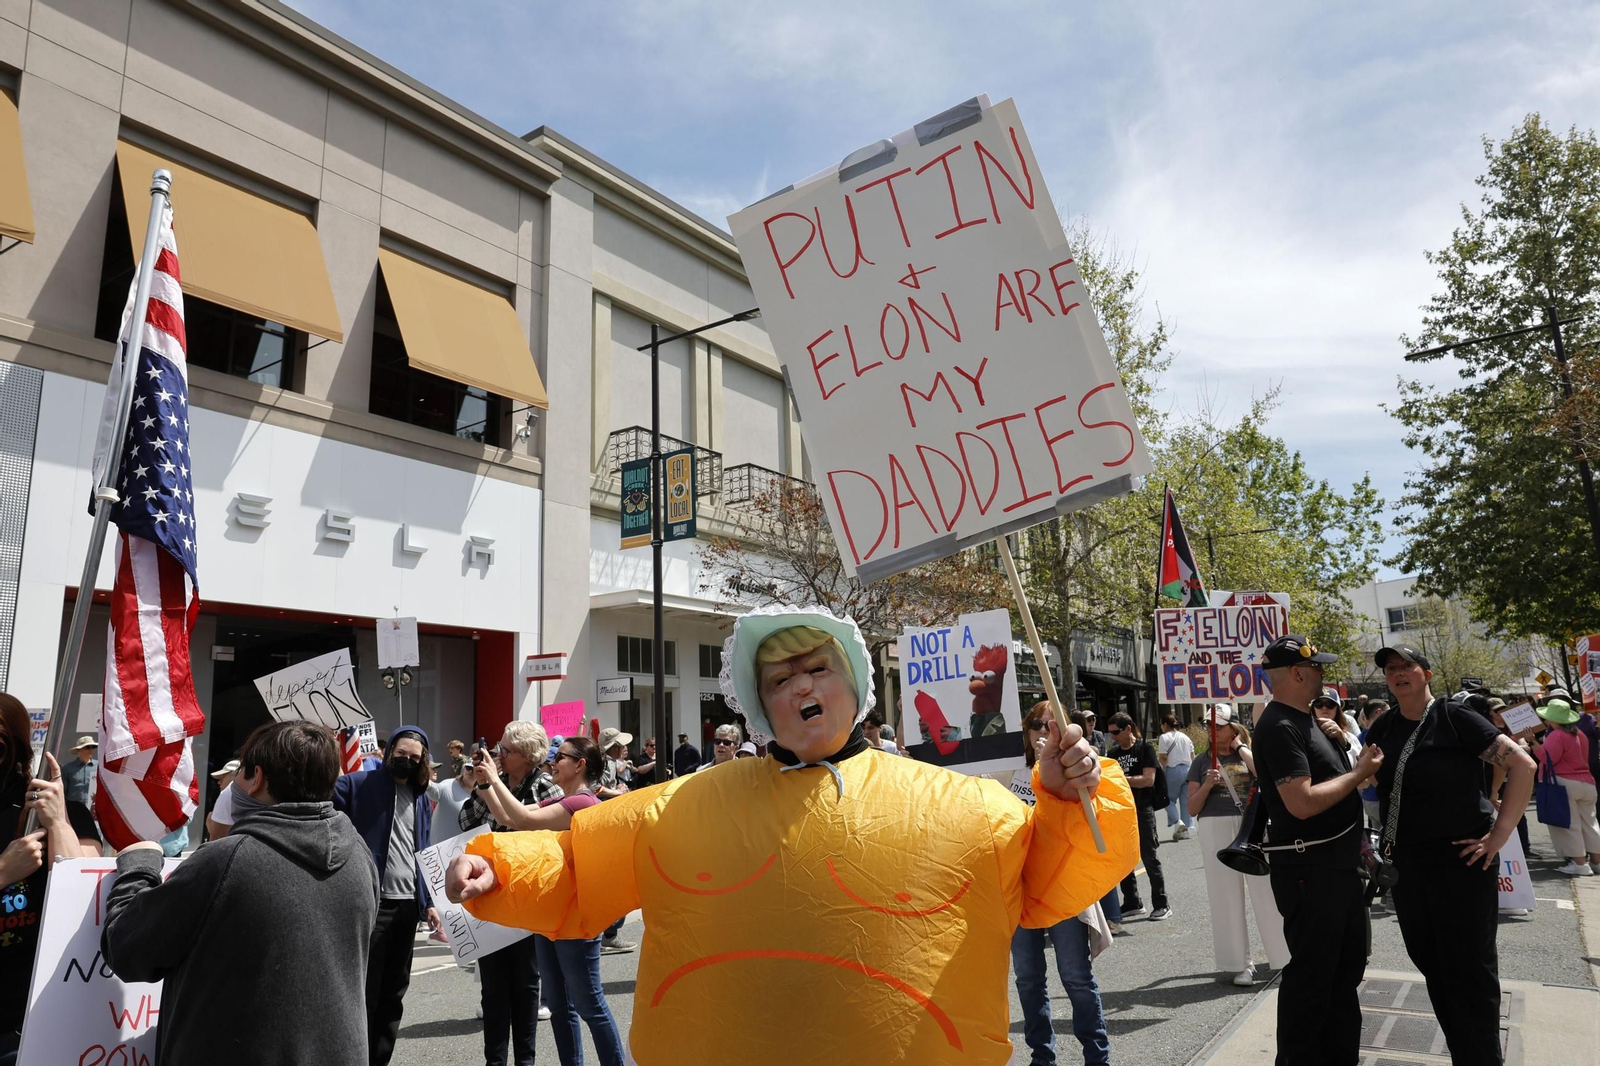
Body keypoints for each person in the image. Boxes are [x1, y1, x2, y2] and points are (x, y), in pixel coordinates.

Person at [446, 604, 1134, 1063]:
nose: (802, 684)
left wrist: (1075, 794)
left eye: (818, 667)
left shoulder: (968, 806)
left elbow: (1053, 873)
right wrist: (498, 870)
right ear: (757, 704)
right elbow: (577, 864)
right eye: (781, 677)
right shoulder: (680, 806)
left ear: (855, 683)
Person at [101, 721, 379, 1066]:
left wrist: (138, 865)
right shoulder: (360, 854)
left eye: (238, 777)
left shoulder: (225, 860)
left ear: (257, 778)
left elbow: (128, 949)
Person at [1366, 645, 1535, 1066]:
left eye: (1407, 666)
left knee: (1469, 970)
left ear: (1426, 673)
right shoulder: (1382, 726)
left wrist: (1499, 836)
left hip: (1462, 863)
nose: (1399, 674)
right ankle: (1467, 1051)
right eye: (1391, 669)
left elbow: (1523, 765)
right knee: (1431, 963)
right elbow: (1367, 783)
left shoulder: (1454, 717)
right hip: (1407, 864)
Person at [1251, 635, 1383, 1066]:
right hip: (1311, 871)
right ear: (1297, 673)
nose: (1324, 674)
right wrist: (1360, 771)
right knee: (1312, 979)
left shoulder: (1305, 721)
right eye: (1318, 667)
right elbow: (1302, 802)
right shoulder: (1279, 725)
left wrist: (1342, 745)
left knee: (1343, 976)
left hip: (1335, 867)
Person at [1009, 705, 1112, 1065]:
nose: (1043, 730)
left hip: (1064, 886)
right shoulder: (1005, 768)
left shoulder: (1078, 765)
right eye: (1037, 723)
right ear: (1025, 728)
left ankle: (1097, 1057)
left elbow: (1096, 807)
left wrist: (1065, 772)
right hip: (1020, 887)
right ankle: (1042, 1057)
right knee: (1028, 978)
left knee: (1076, 976)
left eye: (1053, 725)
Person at [0, 695, 100, 1059]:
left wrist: (57, 821)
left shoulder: (64, 814)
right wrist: (3, 872)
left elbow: (85, 896)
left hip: (33, 1013)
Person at [333, 726, 439, 1066]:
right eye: (400, 754)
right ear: (388, 751)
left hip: (408, 908)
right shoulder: (354, 785)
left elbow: (421, 850)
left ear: (422, 761)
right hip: (369, 906)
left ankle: (379, 1059)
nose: (406, 761)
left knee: (394, 992)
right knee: (365, 992)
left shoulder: (421, 798)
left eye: (413, 757)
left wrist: (429, 901)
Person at [459, 721, 561, 1066]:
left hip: (529, 896)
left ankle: (525, 1061)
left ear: (528, 756)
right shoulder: (493, 782)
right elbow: (466, 819)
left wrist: (493, 783)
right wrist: (482, 784)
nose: (499, 755)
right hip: (491, 893)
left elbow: (533, 827)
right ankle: (495, 1061)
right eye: (499, 748)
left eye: (507, 750)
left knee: (526, 982)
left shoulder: (545, 786)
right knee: (493, 984)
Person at [1187, 705, 1289, 986]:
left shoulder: (1248, 752)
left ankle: (1284, 958)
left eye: (1218, 725)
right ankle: (1239, 965)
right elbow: (1192, 807)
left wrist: (1241, 746)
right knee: (1224, 894)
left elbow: (1265, 773)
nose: (1212, 730)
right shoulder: (1200, 761)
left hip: (1252, 824)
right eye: (1208, 724)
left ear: (1233, 727)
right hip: (1214, 826)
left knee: (1266, 891)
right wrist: (1207, 786)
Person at [1107, 712, 1170, 920]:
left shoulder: (1145, 748)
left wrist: (1122, 779)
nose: (1113, 737)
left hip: (1142, 809)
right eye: (1110, 733)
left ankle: (1162, 904)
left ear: (1128, 729)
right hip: (1121, 811)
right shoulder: (1113, 754)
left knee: (1149, 856)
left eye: (1116, 732)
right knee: (1124, 858)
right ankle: (1132, 901)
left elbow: (1148, 780)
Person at [1530, 698, 1600, 875]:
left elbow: (1548, 759)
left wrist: (1534, 744)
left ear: (1553, 720)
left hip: (1564, 783)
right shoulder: (1580, 735)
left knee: (1569, 825)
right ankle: (1597, 861)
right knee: (1590, 823)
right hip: (1587, 782)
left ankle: (1579, 863)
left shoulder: (1557, 735)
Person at [1157, 714, 1195, 840]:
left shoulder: (1164, 737)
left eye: (1161, 724)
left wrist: (1161, 771)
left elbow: (1163, 757)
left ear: (1165, 724)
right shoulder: (1185, 737)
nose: (1161, 727)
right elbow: (1192, 756)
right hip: (1188, 769)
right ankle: (1186, 830)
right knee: (1185, 801)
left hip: (1173, 769)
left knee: (1167, 799)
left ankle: (1178, 822)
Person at [1356, 700, 1389, 828]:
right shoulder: (1379, 736)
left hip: (1367, 799)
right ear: (1379, 712)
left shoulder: (1358, 737)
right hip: (1378, 798)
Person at [204, 759, 242, 840]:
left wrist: (211, 822)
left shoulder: (227, 793)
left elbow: (216, 838)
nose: (219, 782)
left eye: (223, 777)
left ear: (235, 777)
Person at [61, 736, 97, 807]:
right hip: (73, 810)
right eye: (87, 747)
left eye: (92, 747)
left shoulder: (99, 767)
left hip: (94, 809)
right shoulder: (67, 769)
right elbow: (62, 792)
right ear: (78, 750)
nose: (90, 750)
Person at [597, 728, 633, 799]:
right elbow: (595, 788)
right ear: (616, 747)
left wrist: (618, 787)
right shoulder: (605, 761)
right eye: (622, 746)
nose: (623, 748)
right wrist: (619, 792)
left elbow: (608, 785)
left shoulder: (611, 761)